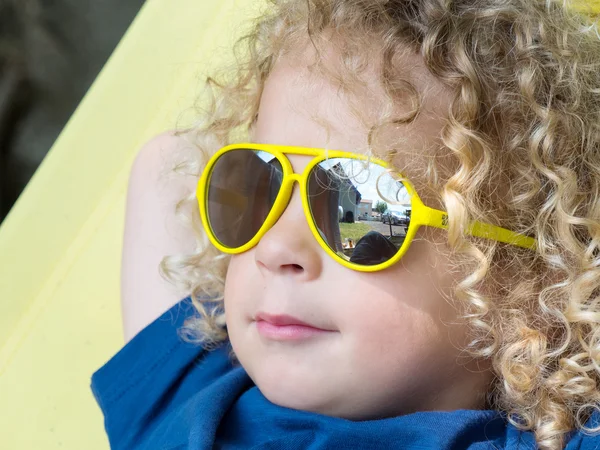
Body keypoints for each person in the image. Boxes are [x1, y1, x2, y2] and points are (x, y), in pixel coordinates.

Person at [91, 1, 600, 449]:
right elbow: (167, 162)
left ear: (524, 282)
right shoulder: (189, 403)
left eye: (357, 208)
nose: (273, 248)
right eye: (255, 188)